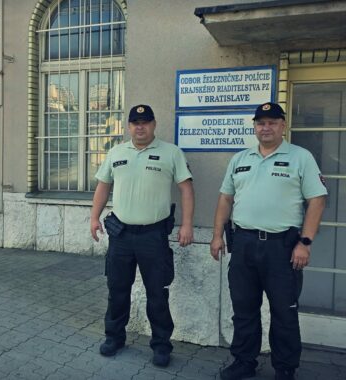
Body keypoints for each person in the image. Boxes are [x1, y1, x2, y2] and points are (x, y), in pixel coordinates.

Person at [210, 102, 327, 380]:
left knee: (284, 312)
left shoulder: (301, 157)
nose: (266, 127)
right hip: (244, 244)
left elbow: (317, 201)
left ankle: (285, 368)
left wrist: (305, 242)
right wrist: (217, 236)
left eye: (272, 122)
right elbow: (226, 198)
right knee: (244, 308)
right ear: (254, 126)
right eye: (261, 122)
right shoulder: (240, 159)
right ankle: (244, 362)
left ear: (282, 125)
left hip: (283, 248)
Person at [90, 104, 194, 367]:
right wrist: (93, 218)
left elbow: (186, 189)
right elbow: (103, 187)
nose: (140, 127)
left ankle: (161, 345)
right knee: (117, 290)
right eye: (135, 122)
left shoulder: (171, 153)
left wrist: (187, 225)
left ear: (154, 124)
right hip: (121, 236)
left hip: (153, 237)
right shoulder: (116, 152)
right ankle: (114, 338)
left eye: (145, 122)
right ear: (128, 126)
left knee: (157, 293)